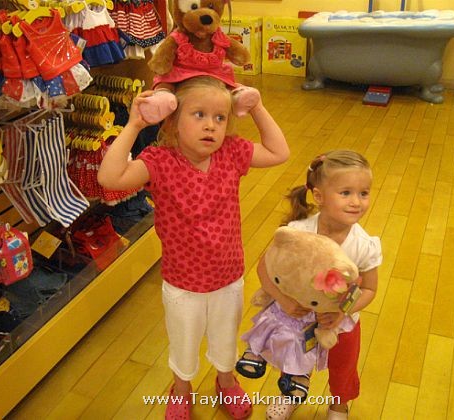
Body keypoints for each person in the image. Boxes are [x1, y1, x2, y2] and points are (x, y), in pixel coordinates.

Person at [97, 75, 289, 420]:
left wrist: (257, 107)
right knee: (183, 342)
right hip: (182, 282)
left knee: (225, 338)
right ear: (172, 120)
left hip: (227, 276)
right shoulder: (159, 161)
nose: (211, 125)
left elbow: (279, 152)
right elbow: (110, 179)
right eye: (199, 114)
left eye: (220, 117)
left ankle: (226, 381)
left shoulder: (231, 153)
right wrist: (134, 124)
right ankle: (181, 389)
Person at [237, 150, 381, 420]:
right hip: (296, 317)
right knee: (291, 359)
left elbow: (370, 289)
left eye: (364, 193)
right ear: (318, 196)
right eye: (346, 193)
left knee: (343, 367)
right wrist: (283, 301)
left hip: (339, 323)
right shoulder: (298, 232)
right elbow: (264, 267)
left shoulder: (364, 245)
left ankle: (339, 405)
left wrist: (342, 312)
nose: (356, 202)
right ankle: (290, 395)